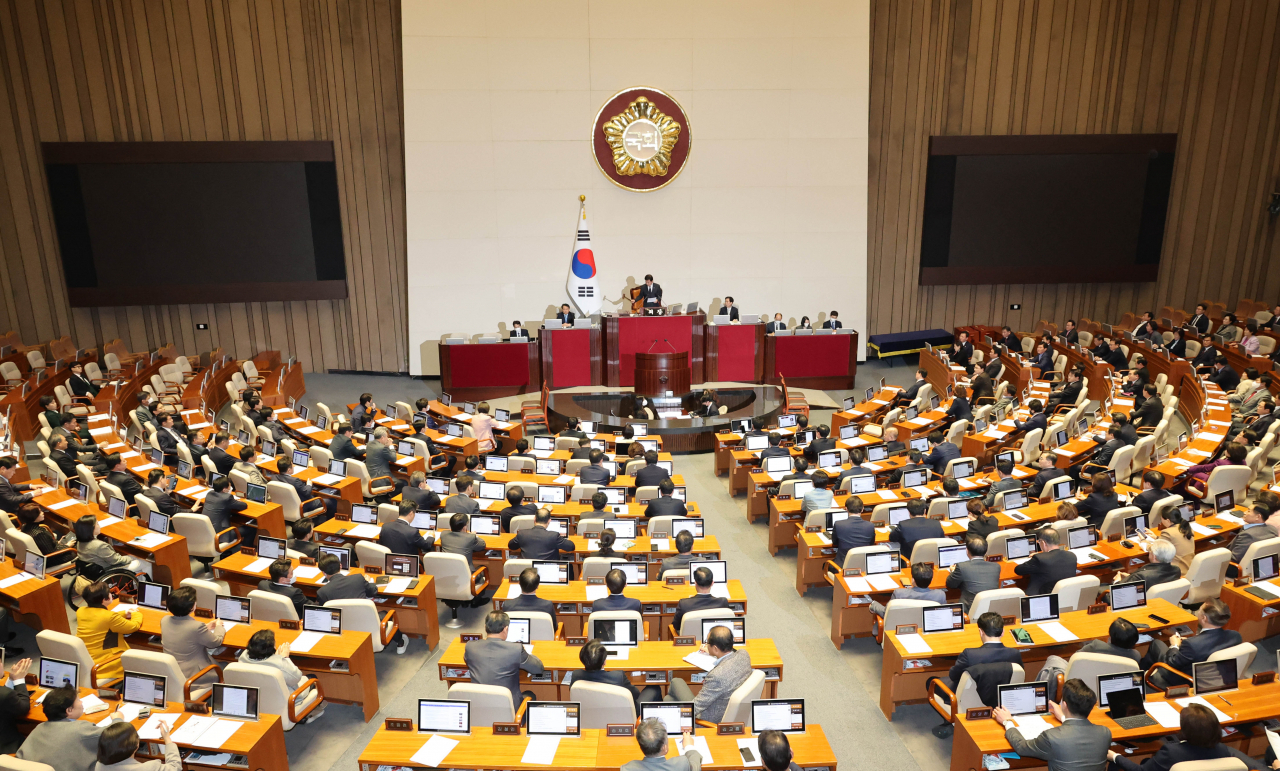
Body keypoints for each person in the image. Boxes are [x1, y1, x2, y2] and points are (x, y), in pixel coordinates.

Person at [994, 678, 1112, 771]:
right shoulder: (1105, 733)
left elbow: (1021, 747)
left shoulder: (1051, 737)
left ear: (1064, 705)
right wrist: (1062, 717)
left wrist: (1007, 721)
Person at [1109, 703, 1267, 771]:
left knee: (1142, 763)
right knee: (1147, 762)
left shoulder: (1171, 752)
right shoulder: (1223, 750)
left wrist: (1115, 756)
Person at [18, 683, 123, 771]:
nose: (81, 702)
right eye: (78, 700)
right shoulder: (80, 729)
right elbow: (114, 734)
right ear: (69, 710)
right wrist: (117, 719)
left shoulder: (39, 727)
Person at [1142, 598, 1243, 688]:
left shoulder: (1192, 645)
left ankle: (1144, 675)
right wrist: (1194, 640)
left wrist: (1175, 645)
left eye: (1200, 609)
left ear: (1204, 618)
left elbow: (1172, 663)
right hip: (1215, 675)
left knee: (1157, 643)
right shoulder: (1235, 636)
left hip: (1183, 679)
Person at [664, 625, 751, 723]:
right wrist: (712, 652)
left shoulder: (716, 676)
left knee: (676, 681)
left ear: (715, 648)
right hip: (731, 710)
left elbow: (696, 707)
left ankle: (668, 718)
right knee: (668, 699)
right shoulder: (744, 655)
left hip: (707, 721)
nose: (706, 644)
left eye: (707, 642)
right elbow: (733, 651)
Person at [465, 611, 545, 705]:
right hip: (509, 708)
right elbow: (538, 669)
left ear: (485, 627)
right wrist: (526, 653)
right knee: (530, 694)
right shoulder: (515, 649)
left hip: (479, 706)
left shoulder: (470, 647)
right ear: (506, 629)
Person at [937, 612, 1022, 692]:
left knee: (932, 681)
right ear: (1003, 632)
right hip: (1002, 699)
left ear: (981, 632)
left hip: (968, 698)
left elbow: (954, 676)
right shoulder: (1015, 654)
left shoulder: (969, 654)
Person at [572, 640, 662, 713]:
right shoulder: (618, 676)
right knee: (654, 687)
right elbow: (636, 695)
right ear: (604, 662)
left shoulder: (576, 675)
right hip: (625, 714)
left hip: (590, 715)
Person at [76, 582, 142, 681]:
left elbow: (101, 618)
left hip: (88, 657)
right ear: (104, 599)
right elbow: (133, 626)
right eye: (110, 593)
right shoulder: (109, 617)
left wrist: (124, 613)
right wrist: (136, 614)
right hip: (105, 663)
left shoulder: (80, 611)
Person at [161, 586, 225, 684]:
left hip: (172, 672)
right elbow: (215, 642)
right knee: (227, 668)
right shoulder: (196, 627)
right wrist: (219, 627)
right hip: (195, 677)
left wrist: (206, 627)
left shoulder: (164, 620)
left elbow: (184, 634)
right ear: (192, 607)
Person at [237, 629, 316, 708]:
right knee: (312, 677)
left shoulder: (242, 657)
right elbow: (296, 677)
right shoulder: (280, 664)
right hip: (284, 699)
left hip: (256, 697)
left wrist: (276, 657)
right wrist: (285, 658)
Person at [74, 514, 148, 578]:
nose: (99, 525)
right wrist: (130, 557)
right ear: (91, 529)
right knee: (145, 562)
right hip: (108, 571)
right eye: (97, 524)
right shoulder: (100, 546)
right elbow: (116, 561)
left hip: (92, 571)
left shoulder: (80, 542)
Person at [95, 720, 181, 771]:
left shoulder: (99, 766)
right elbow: (175, 767)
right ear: (137, 745)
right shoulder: (149, 768)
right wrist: (167, 739)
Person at [1013, 528, 1077, 595]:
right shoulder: (1072, 556)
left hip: (1040, 597)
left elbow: (1018, 570)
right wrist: (1041, 555)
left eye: (1039, 541)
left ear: (1043, 543)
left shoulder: (1040, 559)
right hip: (1064, 595)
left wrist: (1037, 557)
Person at [622, 718, 701, 771]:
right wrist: (689, 746)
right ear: (664, 747)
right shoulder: (681, 764)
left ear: (641, 746)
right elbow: (695, 766)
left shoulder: (627, 768)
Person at [946, 535, 1001, 611]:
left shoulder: (962, 567)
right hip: (990, 608)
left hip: (969, 609)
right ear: (986, 551)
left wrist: (953, 571)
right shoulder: (996, 567)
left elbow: (950, 584)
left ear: (967, 551)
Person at [870, 562, 944, 618]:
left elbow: (886, 613)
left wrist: (873, 604)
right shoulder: (940, 595)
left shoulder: (899, 594)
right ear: (931, 580)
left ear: (912, 580)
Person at [672, 566, 731, 631]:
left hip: (692, 639)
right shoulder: (723, 602)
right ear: (712, 583)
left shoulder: (684, 604)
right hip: (714, 639)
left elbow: (676, 626)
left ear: (695, 583)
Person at [1227, 505, 1278, 577]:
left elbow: (1234, 559)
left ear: (1258, 516)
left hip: (1237, 570)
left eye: (1248, 511)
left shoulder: (1248, 535)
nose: (1244, 512)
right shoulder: (1272, 529)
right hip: (1262, 568)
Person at [1113, 539, 1181, 592]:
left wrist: (1117, 581)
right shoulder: (1176, 570)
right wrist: (1131, 577)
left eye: (1150, 552)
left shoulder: (1142, 576)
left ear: (1154, 557)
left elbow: (1120, 592)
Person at [508, 509, 574, 560]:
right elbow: (571, 547)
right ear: (549, 521)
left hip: (528, 572)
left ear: (534, 519)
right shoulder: (554, 536)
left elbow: (511, 546)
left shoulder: (522, 533)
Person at [197, 476, 245, 544]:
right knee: (251, 529)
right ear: (224, 490)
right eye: (229, 487)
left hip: (206, 532)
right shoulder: (227, 498)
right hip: (221, 535)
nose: (231, 488)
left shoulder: (209, 494)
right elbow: (243, 506)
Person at [0, 657, 31, 753]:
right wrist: (19, 680)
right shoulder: (5, 694)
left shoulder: (4, 693)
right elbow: (23, 707)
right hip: (6, 748)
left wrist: (11, 679)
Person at [831, 497, 874, 565]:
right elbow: (871, 543)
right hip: (863, 564)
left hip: (843, 564)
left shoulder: (838, 524)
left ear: (846, 509)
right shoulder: (870, 526)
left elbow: (835, 542)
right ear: (862, 509)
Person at [1158, 504, 1196, 575]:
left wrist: (1143, 542)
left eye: (1161, 518)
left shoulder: (1167, 532)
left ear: (1168, 520)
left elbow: (1157, 549)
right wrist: (1157, 538)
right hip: (1189, 568)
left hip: (1177, 571)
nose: (1161, 520)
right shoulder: (1186, 528)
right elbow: (1174, 540)